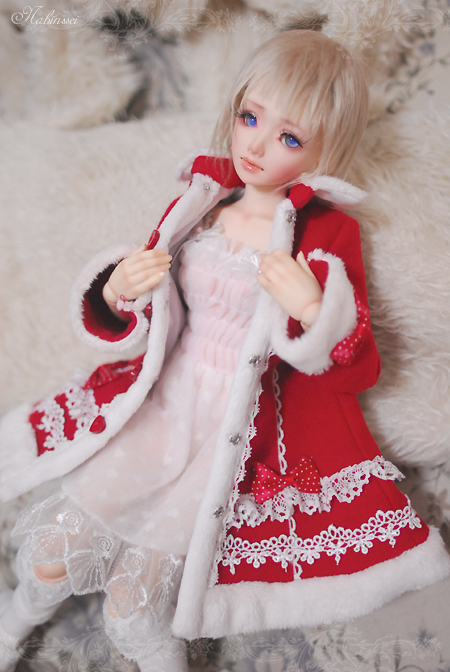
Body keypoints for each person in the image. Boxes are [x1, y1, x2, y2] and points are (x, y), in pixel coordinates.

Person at [0, 29, 449, 672]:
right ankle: (13, 625)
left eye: (289, 137)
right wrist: (119, 289)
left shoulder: (326, 230)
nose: (256, 146)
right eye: (249, 117)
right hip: (161, 404)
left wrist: (315, 312)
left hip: (233, 433)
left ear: (326, 149)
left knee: (134, 606)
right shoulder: (201, 200)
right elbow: (151, 316)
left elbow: (358, 366)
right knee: (50, 558)